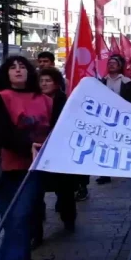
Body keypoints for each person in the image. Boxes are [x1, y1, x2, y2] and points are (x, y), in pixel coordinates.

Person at [0, 56, 55, 260]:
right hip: (6, 169)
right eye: (13, 67)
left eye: (22, 66)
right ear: (6, 73)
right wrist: (26, 146)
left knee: (22, 221)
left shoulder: (45, 100)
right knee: (14, 222)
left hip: (34, 168)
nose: (18, 70)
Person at [31, 68, 76, 247]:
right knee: (35, 193)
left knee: (64, 190)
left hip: (60, 152)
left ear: (56, 83)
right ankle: (36, 232)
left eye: (48, 80)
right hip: (38, 152)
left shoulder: (65, 101)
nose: (44, 84)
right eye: (41, 80)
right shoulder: (33, 100)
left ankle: (69, 219)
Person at [97, 55, 131, 185]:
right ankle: (105, 173)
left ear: (119, 66)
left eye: (114, 63)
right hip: (106, 118)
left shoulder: (126, 81)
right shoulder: (102, 81)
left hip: (121, 118)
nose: (111, 65)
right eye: (109, 63)